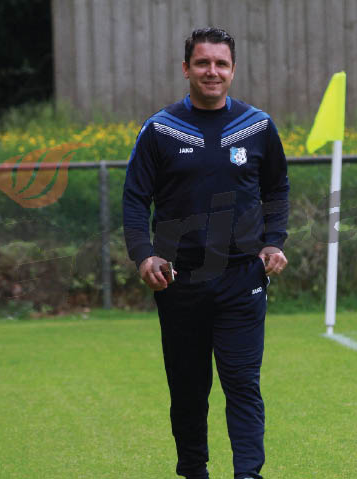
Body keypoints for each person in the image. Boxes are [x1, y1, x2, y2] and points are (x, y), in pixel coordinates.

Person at [122, 27, 289, 479]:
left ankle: (248, 474)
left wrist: (274, 240)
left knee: (243, 385)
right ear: (186, 69)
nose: (211, 71)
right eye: (202, 63)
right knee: (189, 391)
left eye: (220, 63)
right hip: (180, 280)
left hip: (242, 278)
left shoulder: (257, 126)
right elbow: (135, 199)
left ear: (233, 70)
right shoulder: (160, 129)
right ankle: (194, 471)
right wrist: (143, 255)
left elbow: (277, 189)